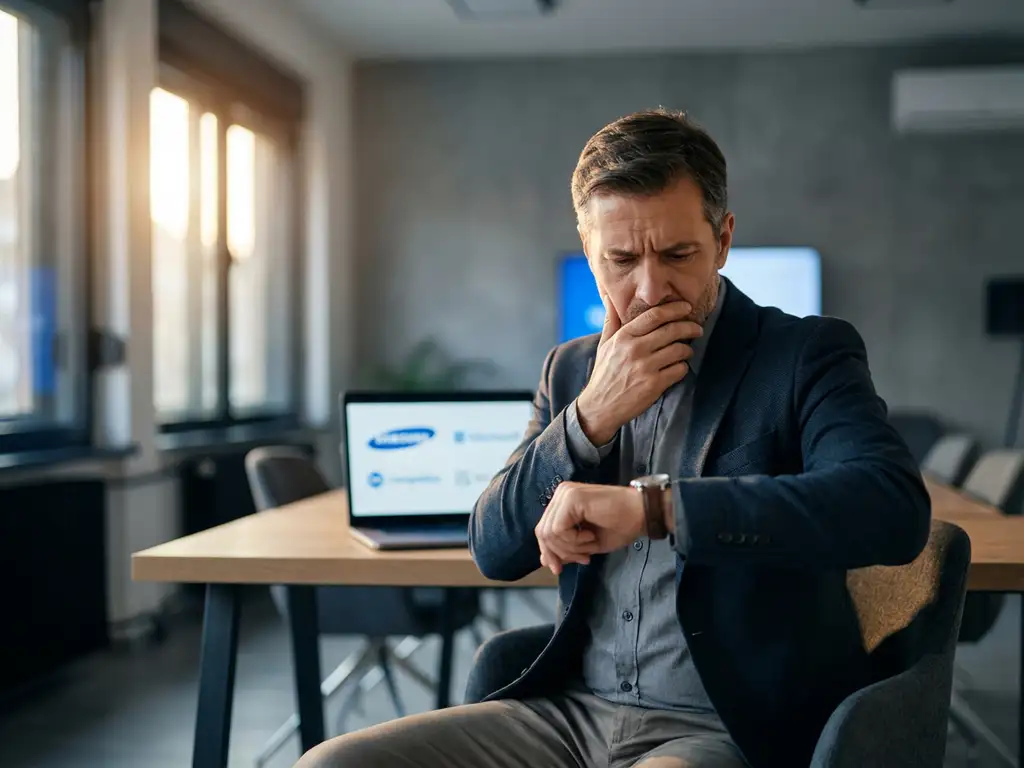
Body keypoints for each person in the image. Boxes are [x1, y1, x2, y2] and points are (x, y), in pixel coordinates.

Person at [297, 108, 930, 768]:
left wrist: (657, 509)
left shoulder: (804, 354)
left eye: (678, 255)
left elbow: (890, 507)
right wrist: (589, 416)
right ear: (588, 247)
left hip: (723, 724)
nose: (650, 290)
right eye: (621, 260)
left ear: (722, 240)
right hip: (568, 712)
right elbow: (494, 548)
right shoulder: (570, 369)